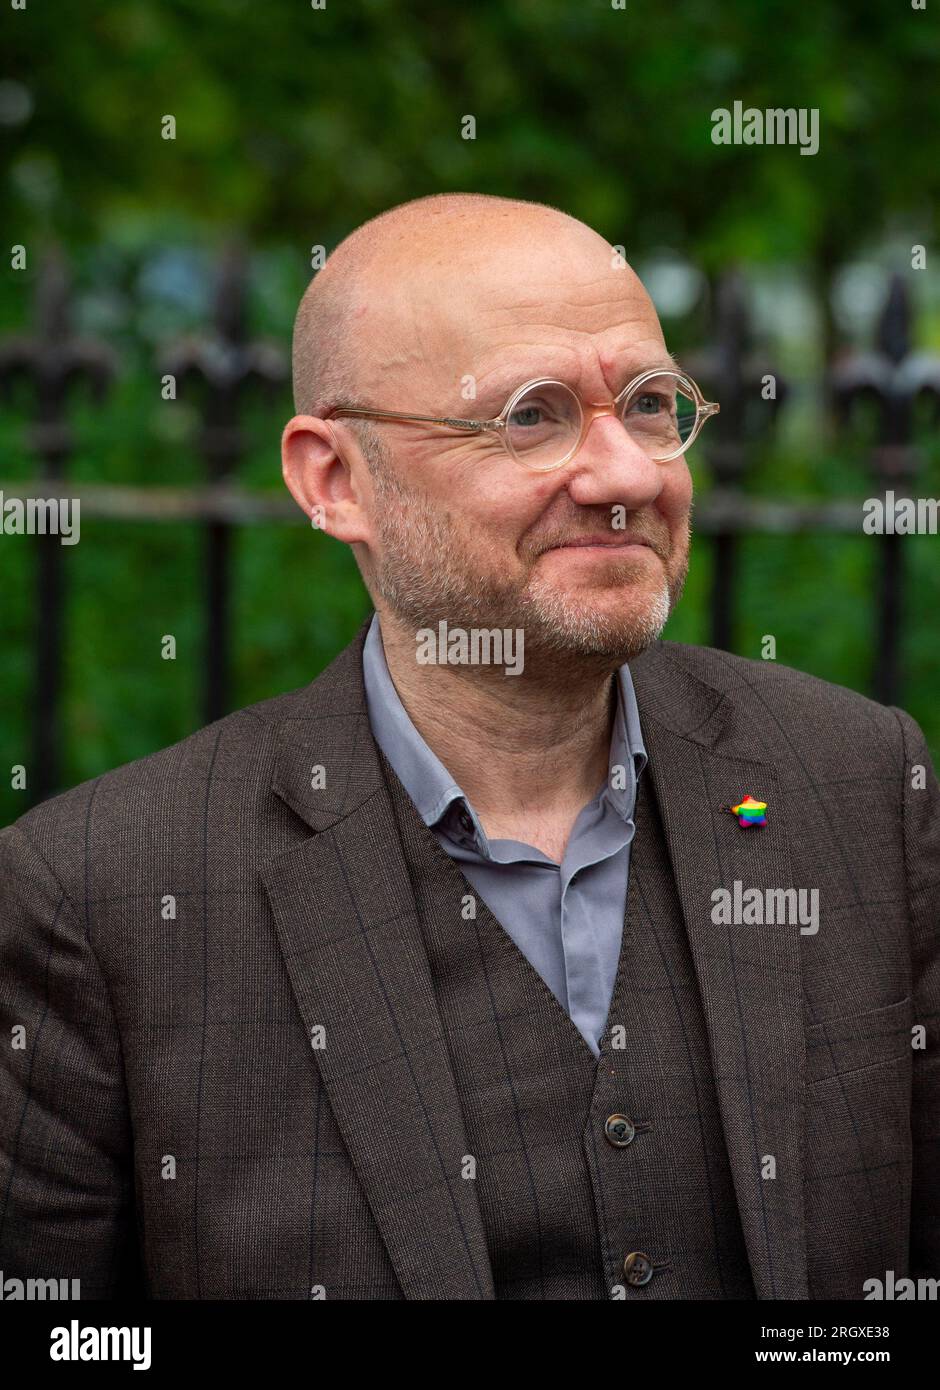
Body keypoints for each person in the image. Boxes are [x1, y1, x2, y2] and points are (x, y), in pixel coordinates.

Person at [1, 194, 937, 1300]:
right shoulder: (103, 895)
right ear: (334, 480)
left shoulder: (857, 781)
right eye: (531, 416)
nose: (627, 475)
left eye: (649, 404)